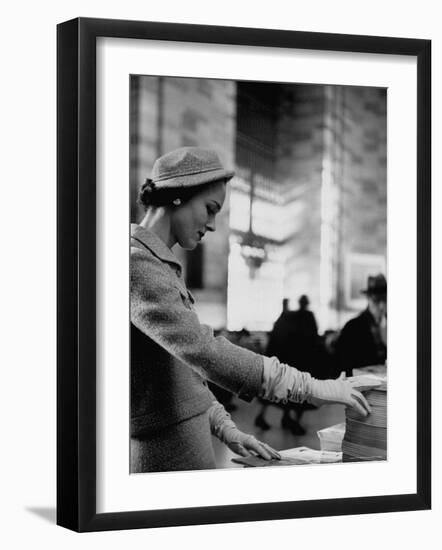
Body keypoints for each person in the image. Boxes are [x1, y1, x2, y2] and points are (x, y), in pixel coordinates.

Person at [130, 146, 376, 473]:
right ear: (178, 196)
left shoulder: (160, 264)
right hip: (164, 458)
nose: (214, 224)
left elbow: (184, 371)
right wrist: (313, 387)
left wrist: (227, 428)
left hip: (190, 446)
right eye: (210, 208)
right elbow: (206, 352)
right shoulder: (137, 264)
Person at [254, 295, 320, 435]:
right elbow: (311, 338)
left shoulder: (289, 317)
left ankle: (283, 418)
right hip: (297, 361)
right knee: (295, 392)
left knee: (282, 390)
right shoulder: (302, 317)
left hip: (289, 359)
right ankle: (291, 420)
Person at [336, 274, 387, 377]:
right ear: (368, 299)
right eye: (376, 301)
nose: (382, 306)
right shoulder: (352, 327)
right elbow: (343, 367)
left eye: (385, 300)